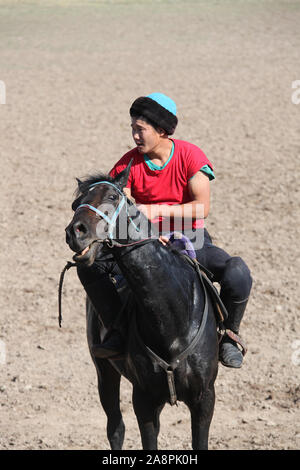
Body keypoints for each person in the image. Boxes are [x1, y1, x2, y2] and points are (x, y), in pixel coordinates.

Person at [77, 92, 252, 368]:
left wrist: (156, 212)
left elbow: (201, 208)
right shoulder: (127, 164)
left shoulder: (191, 157)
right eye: (132, 128)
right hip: (141, 245)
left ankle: (229, 336)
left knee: (238, 273)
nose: (134, 135)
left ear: (161, 130)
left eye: (140, 129)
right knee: (89, 268)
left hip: (190, 239)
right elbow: (113, 207)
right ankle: (117, 332)